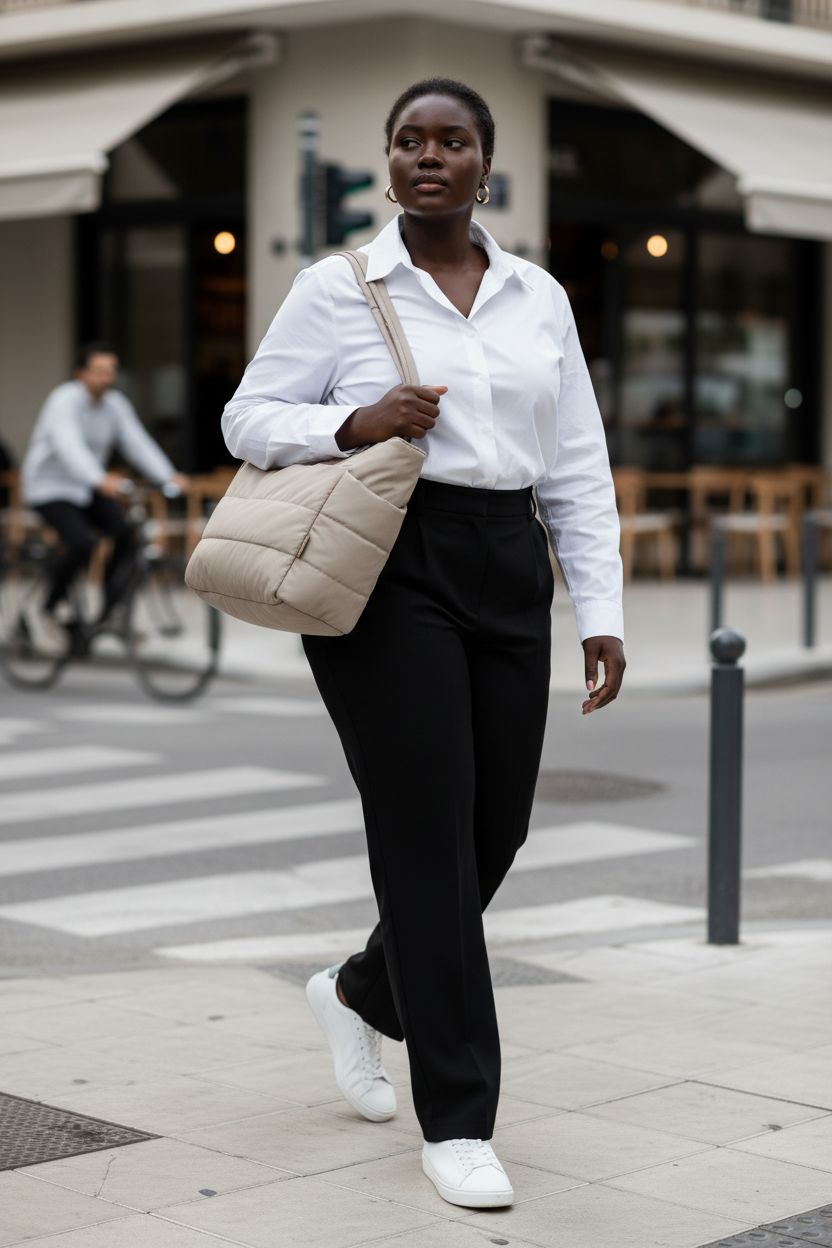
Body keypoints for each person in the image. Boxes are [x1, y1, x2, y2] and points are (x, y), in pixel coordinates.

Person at [222, 78, 625, 1210]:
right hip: (388, 565)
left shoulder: (538, 297)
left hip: (507, 562)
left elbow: (578, 464)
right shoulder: (334, 287)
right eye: (409, 141)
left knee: (494, 828)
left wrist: (600, 611)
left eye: (452, 140)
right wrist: (352, 420)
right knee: (426, 837)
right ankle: (458, 1120)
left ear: (486, 162)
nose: (428, 156)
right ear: (389, 162)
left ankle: (359, 989)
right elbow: (246, 418)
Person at [20, 343, 189, 651]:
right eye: (99, 371)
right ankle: (45, 610)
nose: (106, 378)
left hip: (86, 488)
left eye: (111, 371)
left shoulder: (115, 404)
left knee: (125, 535)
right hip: (50, 487)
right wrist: (100, 479)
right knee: (80, 542)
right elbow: (69, 447)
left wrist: (168, 475)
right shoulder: (64, 401)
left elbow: (137, 442)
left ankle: (106, 613)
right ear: (80, 374)